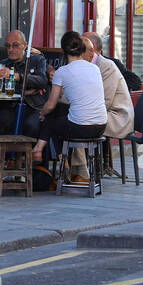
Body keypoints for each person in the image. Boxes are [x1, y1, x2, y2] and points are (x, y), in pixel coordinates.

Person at [31, 31, 108, 166]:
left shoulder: (62, 71)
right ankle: (46, 153)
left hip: (81, 128)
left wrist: (42, 114)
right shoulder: (94, 68)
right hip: (101, 126)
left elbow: (50, 104)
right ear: (82, 49)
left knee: (52, 120)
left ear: (63, 51)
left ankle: (53, 157)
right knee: (58, 114)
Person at [84, 32, 134, 179]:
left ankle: (82, 171)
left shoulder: (107, 65)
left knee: (77, 123)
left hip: (116, 116)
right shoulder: (82, 65)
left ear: (92, 50)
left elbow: (104, 101)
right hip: (102, 112)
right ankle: (77, 169)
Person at [0, 30, 50, 135]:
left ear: (25, 45)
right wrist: (25, 92)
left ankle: (30, 151)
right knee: (0, 122)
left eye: (15, 45)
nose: (10, 49)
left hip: (33, 106)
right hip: (9, 106)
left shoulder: (37, 60)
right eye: (7, 46)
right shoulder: (3, 63)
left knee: (31, 126)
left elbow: (42, 81)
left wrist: (17, 77)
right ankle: (4, 151)